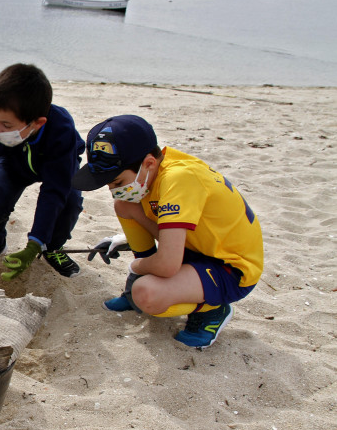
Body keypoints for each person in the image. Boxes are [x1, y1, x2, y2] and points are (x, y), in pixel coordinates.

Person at [71, 115, 264, 349]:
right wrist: (127, 241)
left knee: (146, 294)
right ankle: (138, 287)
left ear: (149, 163)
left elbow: (167, 265)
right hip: (195, 248)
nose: (113, 190)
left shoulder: (179, 178)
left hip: (231, 268)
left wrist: (136, 268)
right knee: (125, 205)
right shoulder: (159, 170)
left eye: (117, 182)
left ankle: (213, 310)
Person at [0, 64, 85, 279]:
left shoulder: (62, 131)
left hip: (58, 165)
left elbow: (54, 191)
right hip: (15, 162)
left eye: (6, 124)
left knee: (69, 203)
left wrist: (35, 243)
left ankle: (52, 247)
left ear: (38, 123)